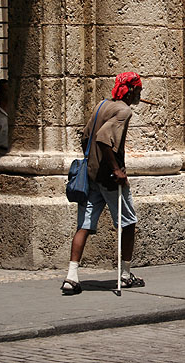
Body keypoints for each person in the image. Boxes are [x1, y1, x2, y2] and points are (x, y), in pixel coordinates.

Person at [61, 72, 146, 295]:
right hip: (110, 179)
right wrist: (116, 170)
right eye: (138, 89)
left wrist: (93, 163)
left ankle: (71, 277)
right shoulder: (124, 111)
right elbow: (102, 137)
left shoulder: (102, 105)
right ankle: (126, 275)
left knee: (85, 225)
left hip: (91, 176)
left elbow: (85, 136)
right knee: (128, 224)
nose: (141, 92)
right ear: (130, 90)